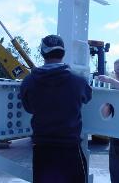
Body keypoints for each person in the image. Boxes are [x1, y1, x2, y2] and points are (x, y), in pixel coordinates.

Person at [20, 35, 92, 183]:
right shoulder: (78, 81)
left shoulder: (29, 81)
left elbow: (28, 108)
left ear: (42, 53)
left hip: (42, 149)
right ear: (63, 53)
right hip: (70, 149)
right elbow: (88, 97)